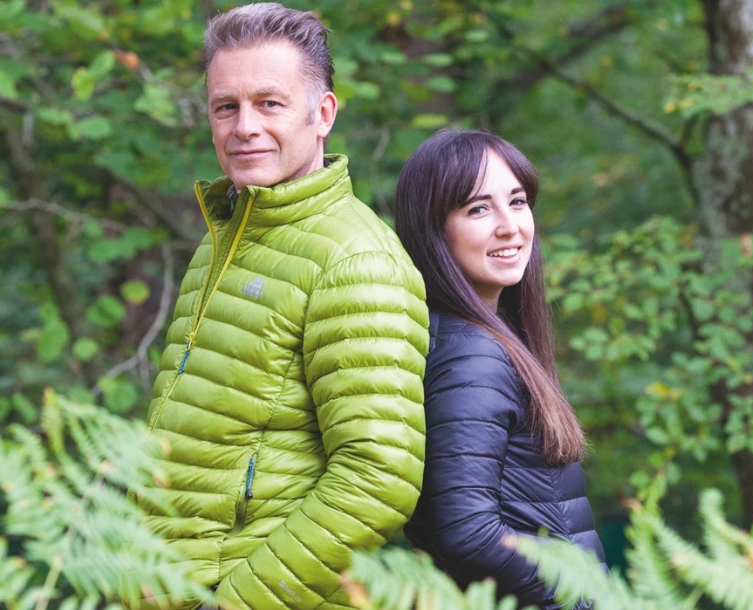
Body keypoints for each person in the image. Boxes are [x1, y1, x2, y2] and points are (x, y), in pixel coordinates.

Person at [137, 4, 430, 609]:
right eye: (226, 106)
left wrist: (234, 603)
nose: (244, 126)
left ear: (321, 115)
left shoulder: (356, 260)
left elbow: (380, 478)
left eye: (269, 103)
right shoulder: (224, 239)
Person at [395, 129, 605, 609]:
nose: (510, 226)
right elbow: (466, 533)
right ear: (433, 230)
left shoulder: (479, 339)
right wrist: (576, 596)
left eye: (517, 201)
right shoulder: (471, 355)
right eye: (478, 209)